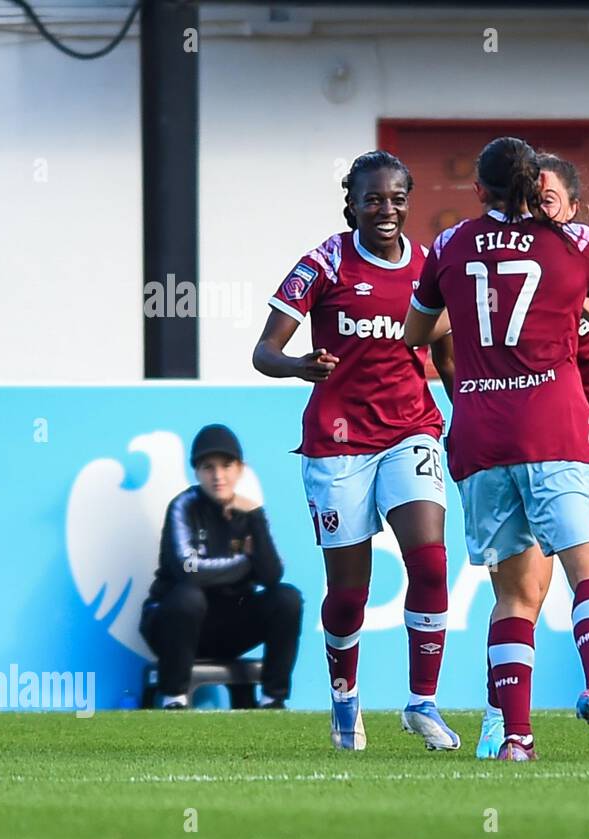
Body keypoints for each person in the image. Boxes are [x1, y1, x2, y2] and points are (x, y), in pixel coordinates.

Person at [404, 136, 589, 761]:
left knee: (513, 595)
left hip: (482, 437)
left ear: (480, 190)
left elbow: (413, 332)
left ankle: (515, 736)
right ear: (533, 191)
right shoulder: (572, 242)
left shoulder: (449, 246)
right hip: (558, 431)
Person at [253, 150, 459, 752]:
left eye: (396, 198)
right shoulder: (324, 262)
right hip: (338, 441)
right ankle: (345, 698)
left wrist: (467, 409)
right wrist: (298, 366)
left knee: (430, 562)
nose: (386, 209)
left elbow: (443, 356)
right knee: (349, 593)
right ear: (352, 204)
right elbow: (264, 352)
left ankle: (422, 702)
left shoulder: (428, 266)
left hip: (410, 431)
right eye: (373, 199)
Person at [473, 153, 589, 760]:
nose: (538, 203)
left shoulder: (583, 248)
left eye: (550, 197)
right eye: (532, 194)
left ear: (573, 205)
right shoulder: (512, 258)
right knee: (526, 580)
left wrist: (573, 285)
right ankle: (504, 720)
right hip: (537, 431)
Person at [140, 424, 301, 709]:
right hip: (173, 626)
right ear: (196, 471)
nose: (218, 476)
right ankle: (174, 697)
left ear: (241, 468)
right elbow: (188, 571)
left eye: (226, 465)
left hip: (227, 629)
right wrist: (245, 563)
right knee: (189, 596)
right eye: (208, 467)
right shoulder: (183, 506)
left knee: (287, 598)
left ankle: (273, 699)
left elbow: (273, 575)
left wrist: (255, 517)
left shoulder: (250, 512)